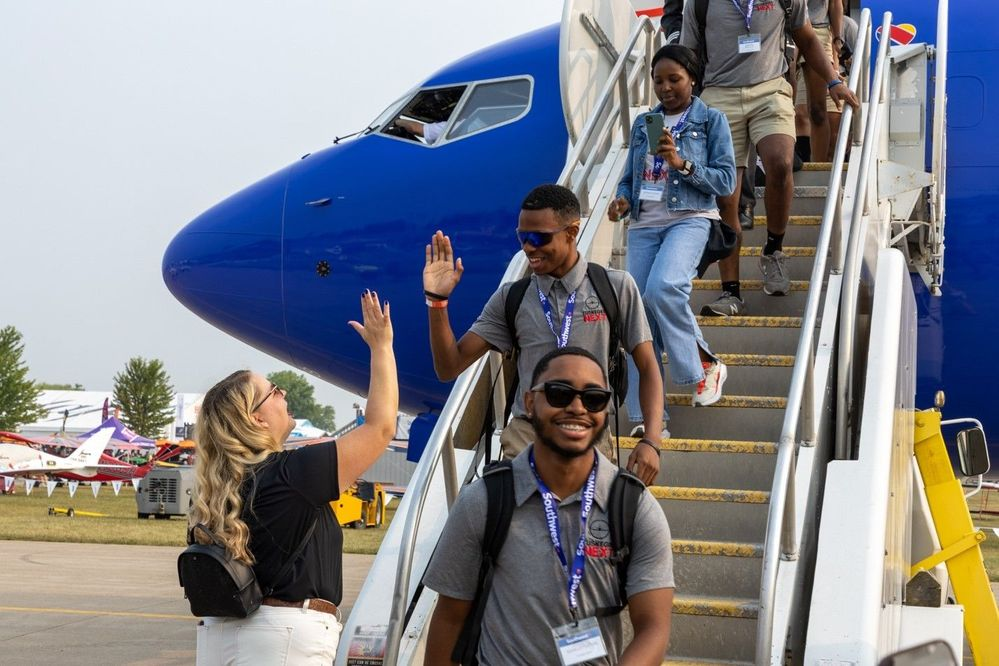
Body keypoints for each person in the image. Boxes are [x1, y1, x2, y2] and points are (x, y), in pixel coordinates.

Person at [423, 347, 674, 665]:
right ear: (529, 402)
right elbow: (449, 620)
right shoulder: (484, 502)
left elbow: (653, 627)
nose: (577, 407)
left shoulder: (634, 509)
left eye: (593, 397)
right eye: (559, 393)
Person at [190, 291, 397, 665]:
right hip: (282, 640)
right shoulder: (293, 474)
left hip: (219, 638)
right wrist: (382, 348)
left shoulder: (216, 490)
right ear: (256, 419)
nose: (283, 394)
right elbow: (381, 428)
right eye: (274, 391)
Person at [423, 184, 664, 485]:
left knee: (586, 530)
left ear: (572, 232)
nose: (528, 248)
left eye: (538, 238)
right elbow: (449, 366)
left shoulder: (615, 288)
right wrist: (437, 302)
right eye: (522, 238)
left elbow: (648, 365)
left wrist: (651, 440)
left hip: (589, 433)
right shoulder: (512, 298)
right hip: (528, 436)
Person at [682, 0, 858, 316]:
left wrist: (833, 81)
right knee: (727, 197)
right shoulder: (699, 3)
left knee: (779, 162)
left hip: (770, 89)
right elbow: (688, 56)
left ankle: (774, 251)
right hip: (718, 94)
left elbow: (805, 37)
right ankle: (730, 293)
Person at [608, 45, 737, 412]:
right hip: (644, 225)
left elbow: (726, 182)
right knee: (638, 316)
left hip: (690, 219)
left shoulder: (711, 120)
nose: (665, 87)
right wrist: (622, 201)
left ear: (692, 79)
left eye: (674, 79)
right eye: (658, 80)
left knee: (664, 289)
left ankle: (704, 366)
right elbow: (629, 178)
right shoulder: (643, 123)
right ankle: (648, 414)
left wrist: (681, 164)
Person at [793, 0, 844, 162]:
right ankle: (785, 155)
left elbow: (836, 3)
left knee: (817, 110)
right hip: (786, 28)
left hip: (818, 30)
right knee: (783, 101)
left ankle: (819, 167)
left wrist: (837, 38)